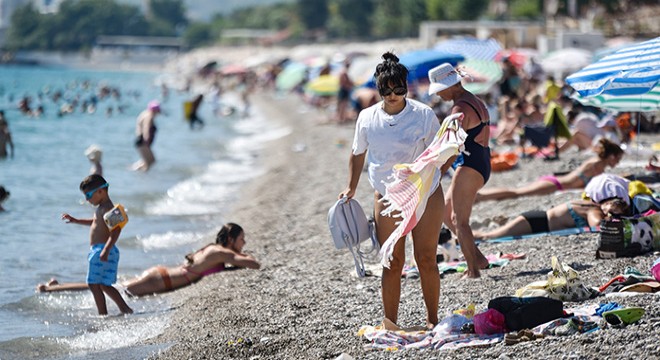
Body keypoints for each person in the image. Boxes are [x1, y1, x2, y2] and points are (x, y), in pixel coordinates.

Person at [338, 52, 444, 329]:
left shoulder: (423, 114)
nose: (393, 95)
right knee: (392, 261)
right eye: (387, 90)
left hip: (425, 193)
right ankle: (390, 322)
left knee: (426, 259)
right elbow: (357, 153)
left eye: (399, 89)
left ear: (406, 86)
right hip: (387, 197)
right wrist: (351, 187)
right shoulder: (367, 117)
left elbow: (439, 152)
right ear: (378, 88)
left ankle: (432, 319)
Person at [37, 223, 260, 296]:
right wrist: (245, 256)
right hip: (161, 280)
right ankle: (53, 289)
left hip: (162, 276)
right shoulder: (223, 252)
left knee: (110, 286)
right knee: (107, 287)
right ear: (231, 239)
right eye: (242, 239)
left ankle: (57, 287)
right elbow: (253, 263)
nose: (244, 243)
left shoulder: (214, 249)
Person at [428, 63, 491, 278]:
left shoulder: (459, 109)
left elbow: (453, 148)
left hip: (469, 166)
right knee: (447, 214)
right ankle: (479, 258)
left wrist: (439, 172)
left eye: (439, 90)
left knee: (459, 221)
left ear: (450, 86)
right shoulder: (473, 100)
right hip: (480, 162)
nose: (439, 95)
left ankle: (473, 271)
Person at [61, 175, 133, 315]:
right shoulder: (101, 208)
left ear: (101, 191)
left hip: (103, 249)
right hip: (103, 249)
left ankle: (102, 314)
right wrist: (76, 220)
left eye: (88, 195)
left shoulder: (108, 208)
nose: (87, 199)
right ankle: (125, 309)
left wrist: (106, 249)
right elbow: (95, 223)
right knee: (103, 284)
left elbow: (116, 229)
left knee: (93, 284)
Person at [476, 138, 624, 202]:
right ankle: (481, 196)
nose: (618, 162)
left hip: (556, 183)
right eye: (617, 158)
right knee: (517, 192)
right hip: (555, 184)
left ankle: (481, 196)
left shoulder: (598, 165)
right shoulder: (596, 165)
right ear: (611, 156)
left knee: (517, 192)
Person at [473, 198, 629, 240]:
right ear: (607, 204)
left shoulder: (590, 204)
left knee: (493, 234)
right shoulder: (595, 210)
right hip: (537, 223)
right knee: (490, 236)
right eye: (614, 212)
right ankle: (462, 238)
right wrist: (610, 219)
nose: (614, 216)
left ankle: (464, 237)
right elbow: (596, 226)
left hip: (537, 219)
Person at [132, 100, 160, 172]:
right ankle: (141, 175)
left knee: (147, 161)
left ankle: (136, 171)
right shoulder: (149, 116)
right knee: (150, 161)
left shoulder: (145, 113)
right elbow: (146, 127)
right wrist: (146, 140)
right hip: (143, 141)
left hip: (141, 140)